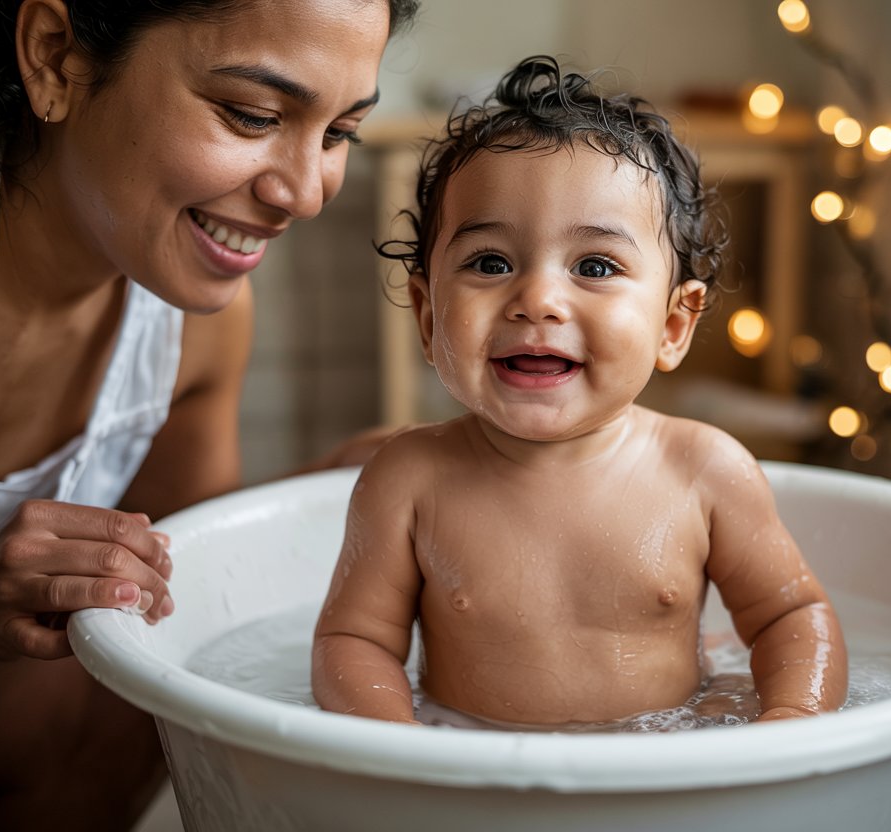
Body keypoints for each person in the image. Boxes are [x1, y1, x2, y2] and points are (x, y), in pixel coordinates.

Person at [0, 0, 419, 827]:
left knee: (132, 693)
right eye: (252, 115)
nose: (305, 191)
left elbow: (177, 592)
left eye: (338, 133)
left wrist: (331, 499)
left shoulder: (197, 325)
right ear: (54, 56)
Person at [311, 56, 848, 729]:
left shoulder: (705, 472)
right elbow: (353, 642)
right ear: (426, 314)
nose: (537, 299)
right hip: (472, 768)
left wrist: (791, 719)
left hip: (667, 769)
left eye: (595, 266)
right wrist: (401, 746)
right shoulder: (408, 481)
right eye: (490, 262)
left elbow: (792, 615)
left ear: (674, 325)